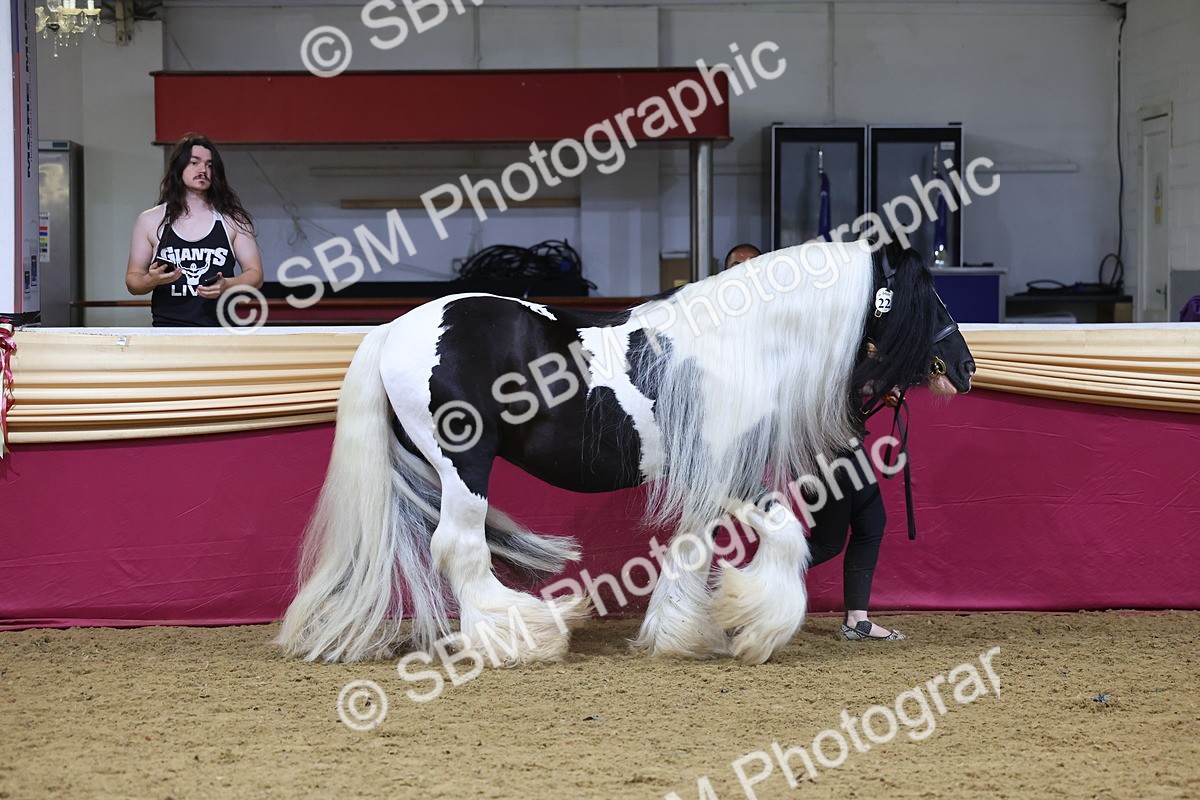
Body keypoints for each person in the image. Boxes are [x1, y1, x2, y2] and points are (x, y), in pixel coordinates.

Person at [126, 133, 263, 327]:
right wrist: (151, 280)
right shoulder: (150, 220)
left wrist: (228, 285)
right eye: (194, 163)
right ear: (178, 168)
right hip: (168, 332)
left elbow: (255, 274)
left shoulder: (233, 220)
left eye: (209, 165)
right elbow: (133, 280)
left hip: (221, 332)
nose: (203, 169)